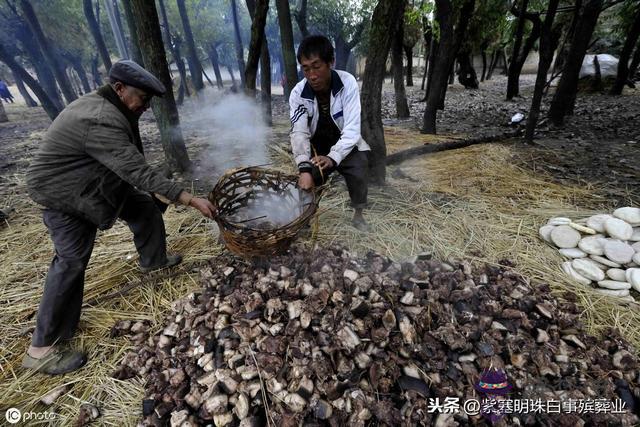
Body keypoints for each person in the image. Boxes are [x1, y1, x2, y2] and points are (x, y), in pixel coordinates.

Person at [23, 60, 216, 375]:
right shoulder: (100, 118)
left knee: (143, 208)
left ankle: (154, 260)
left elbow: (129, 162)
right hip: (65, 193)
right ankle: (40, 349)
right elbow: (136, 170)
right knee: (71, 261)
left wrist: (158, 191)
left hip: (95, 180)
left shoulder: (117, 108)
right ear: (120, 89)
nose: (145, 106)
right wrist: (189, 198)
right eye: (142, 98)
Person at [289, 35, 371, 231]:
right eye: (306, 68)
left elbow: (352, 129)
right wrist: (304, 169)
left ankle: (358, 215)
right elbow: (299, 132)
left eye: (316, 66)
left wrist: (334, 157)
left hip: (346, 143)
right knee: (308, 181)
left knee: (359, 167)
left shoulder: (347, 83)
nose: (312, 75)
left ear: (330, 62)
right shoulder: (298, 94)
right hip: (317, 146)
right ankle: (305, 220)